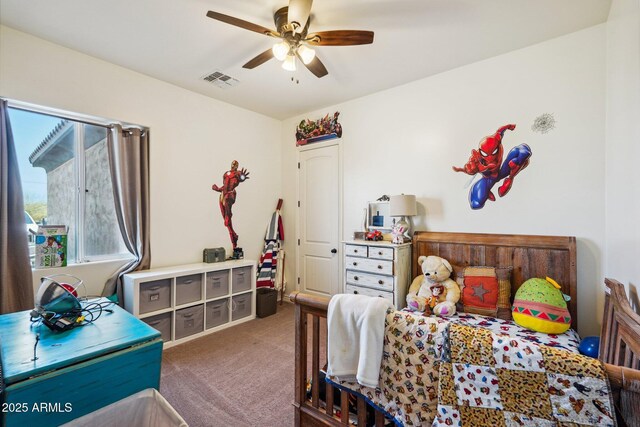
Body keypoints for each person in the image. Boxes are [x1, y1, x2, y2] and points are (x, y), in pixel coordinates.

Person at [212, 160, 250, 248]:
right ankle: (234, 237)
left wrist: (242, 177)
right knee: (227, 224)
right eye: (233, 163)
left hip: (230, 195)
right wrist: (217, 188)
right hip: (223, 195)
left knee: (227, 213)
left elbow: (240, 178)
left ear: (237, 165)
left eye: (236, 163)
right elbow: (225, 187)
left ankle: (228, 215)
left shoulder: (238, 173)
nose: (234, 164)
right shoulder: (226, 174)